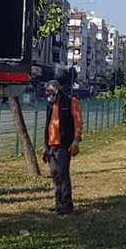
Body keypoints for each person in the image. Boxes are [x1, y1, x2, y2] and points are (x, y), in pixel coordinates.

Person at [42, 80, 82, 215]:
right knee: (55, 175)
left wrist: (76, 140)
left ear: (56, 91)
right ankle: (58, 203)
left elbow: (78, 121)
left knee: (63, 174)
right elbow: (48, 125)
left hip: (64, 144)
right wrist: (45, 146)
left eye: (49, 91)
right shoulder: (50, 104)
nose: (47, 94)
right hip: (50, 146)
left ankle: (67, 204)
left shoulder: (71, 101)